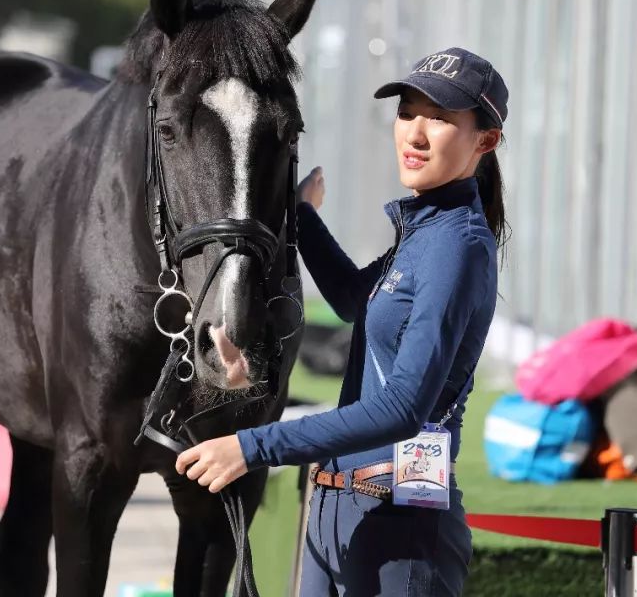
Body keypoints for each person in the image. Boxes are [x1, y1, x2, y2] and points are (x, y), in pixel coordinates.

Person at [175, 47, 509, 596]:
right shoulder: (424, 232)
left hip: (399, 532)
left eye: (441, 118)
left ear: (485, 140)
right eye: (407, 113)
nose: (415, 134)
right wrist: (300, 216)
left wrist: (251, 446)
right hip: (336, 516)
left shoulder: (458, 246)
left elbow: (403, 408)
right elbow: (360, 301)